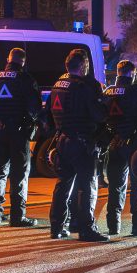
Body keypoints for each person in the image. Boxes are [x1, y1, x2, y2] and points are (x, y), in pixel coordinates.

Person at [47, 48, 108, 241]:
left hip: (62, 140)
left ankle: (56, 227)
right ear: (82, 66)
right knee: (87, 185)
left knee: (63, 184)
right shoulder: (86, 86)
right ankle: (86, 229)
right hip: (82, 142)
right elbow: (98, 115)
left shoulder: (58, 84)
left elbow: (48, 113)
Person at [0, 47, 41, 227]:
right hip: (19, 131)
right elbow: (35, 107)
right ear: (23, 61)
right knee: (19, 174)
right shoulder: (26, 79)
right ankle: (17, 216)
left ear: (8, 59)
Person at [100, 60, 137, 236]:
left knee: (115, 186)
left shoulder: (107, 91)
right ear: (132, 74)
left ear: (118, 73)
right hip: (135, 144)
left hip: (113, 144)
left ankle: (113, 225)